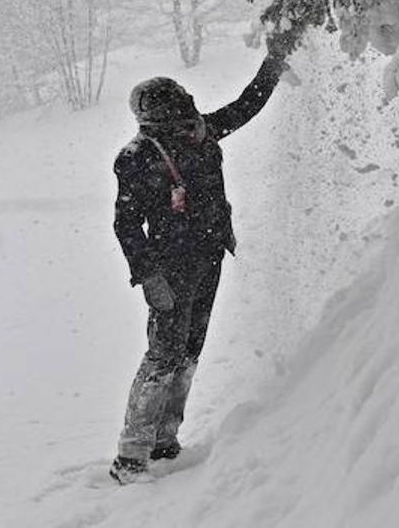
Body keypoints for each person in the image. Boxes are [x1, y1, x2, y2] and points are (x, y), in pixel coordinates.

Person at [108, 35, 294, 484]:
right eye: (180, 111)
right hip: (168, 268)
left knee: (189, 350)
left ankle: (165, 440)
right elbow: (126, 225)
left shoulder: (201, 133)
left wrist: (276, 58)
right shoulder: (136, 158)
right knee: (163, 354)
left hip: (209, 255)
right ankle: (132, 454)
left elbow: (246, 104)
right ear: (157, 118)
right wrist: (148, 275)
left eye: (188, 110)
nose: (190, 119)